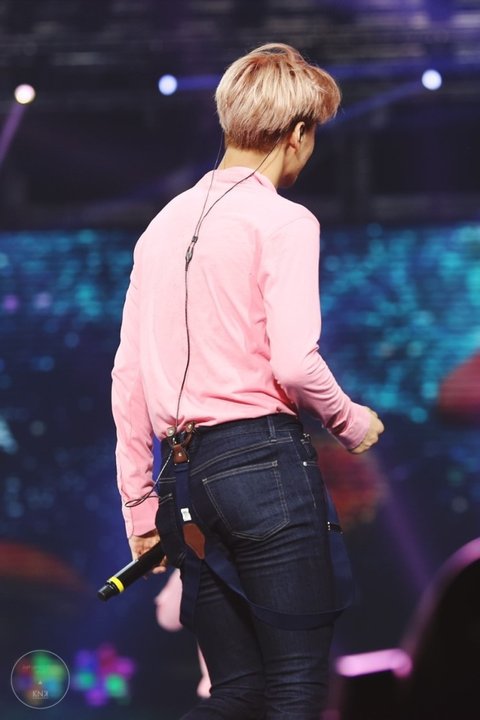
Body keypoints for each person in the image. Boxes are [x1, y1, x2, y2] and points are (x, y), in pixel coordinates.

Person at [111, 42, 384, 719]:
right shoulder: (284, 221)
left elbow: (128, 377)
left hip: (183, 482)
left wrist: (139, 507)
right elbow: (294, 362)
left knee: (238, 690)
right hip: (263, 467)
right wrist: (351, 422)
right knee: (294, 684)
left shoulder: (160, 227)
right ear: (298, 133)